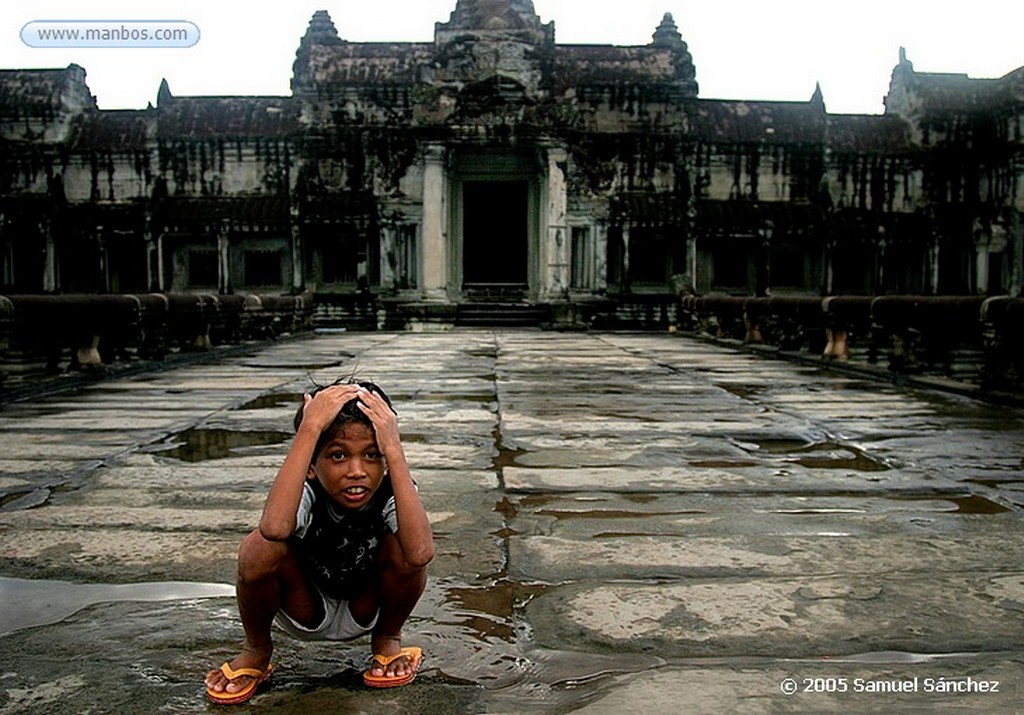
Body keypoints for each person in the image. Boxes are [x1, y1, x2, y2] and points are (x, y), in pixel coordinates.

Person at [205, 379, 434, 705]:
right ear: (311, 465)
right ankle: (256, 651)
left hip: (364, 606)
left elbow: (421, 552)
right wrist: (310, 429)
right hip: (305, 607)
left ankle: (387, 639)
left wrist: (394, 451)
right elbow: (273, 529)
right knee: (257, 547)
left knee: (406, 545)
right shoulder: (304, 488)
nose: (357, 471)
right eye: (338, 456)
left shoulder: (391, 485)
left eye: (371, 455)